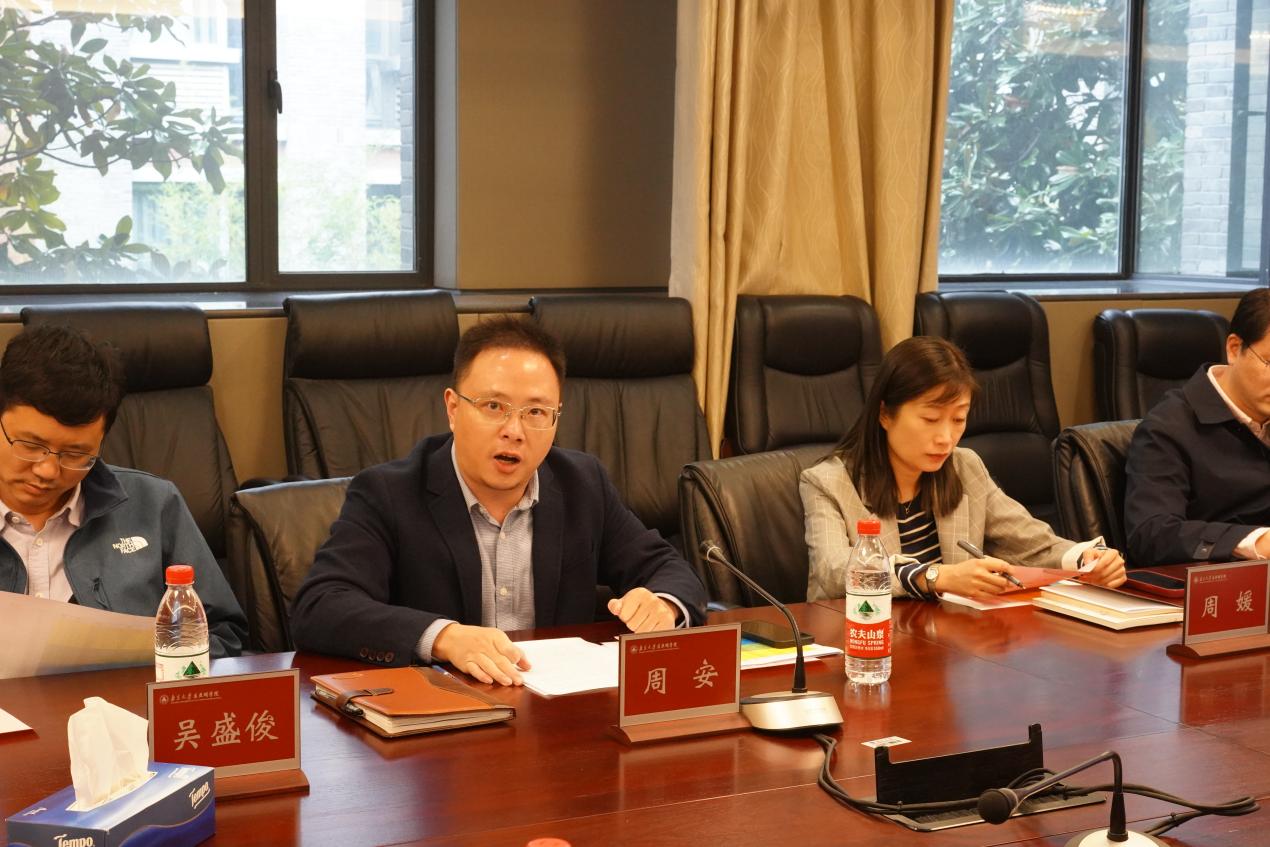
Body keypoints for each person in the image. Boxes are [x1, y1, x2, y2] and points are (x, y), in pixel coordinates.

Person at [291, 316, 707, 686]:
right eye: (494, 406)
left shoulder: (582, 483)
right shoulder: (388, 493)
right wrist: (444, 637)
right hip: (443, 719)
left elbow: (667, 568)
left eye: (536, 412)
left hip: (559, 715)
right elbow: (320, 606)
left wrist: (662, 604)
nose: (514, 430)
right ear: (453, 408)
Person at [802, 336, 1126, 602]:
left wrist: (1085, 560)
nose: (946, 438)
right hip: (862, 640)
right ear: (885, 414)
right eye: (930, 419)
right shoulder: (828, 482)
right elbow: (833, 572)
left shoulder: (964, 466)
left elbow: (1030, 542)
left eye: (958, 419)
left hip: (946, 642)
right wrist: (934, 576)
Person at [0, 324, 245, 657]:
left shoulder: (154, 504)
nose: (48, 471)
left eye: (75, 455)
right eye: (30, 446)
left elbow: (223, 635)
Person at [1125, 289, 1270, 566]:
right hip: (1218, 581)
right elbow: (1152, 534)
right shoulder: (1168, 427)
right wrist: (1256, 542)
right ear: (1234, 348)